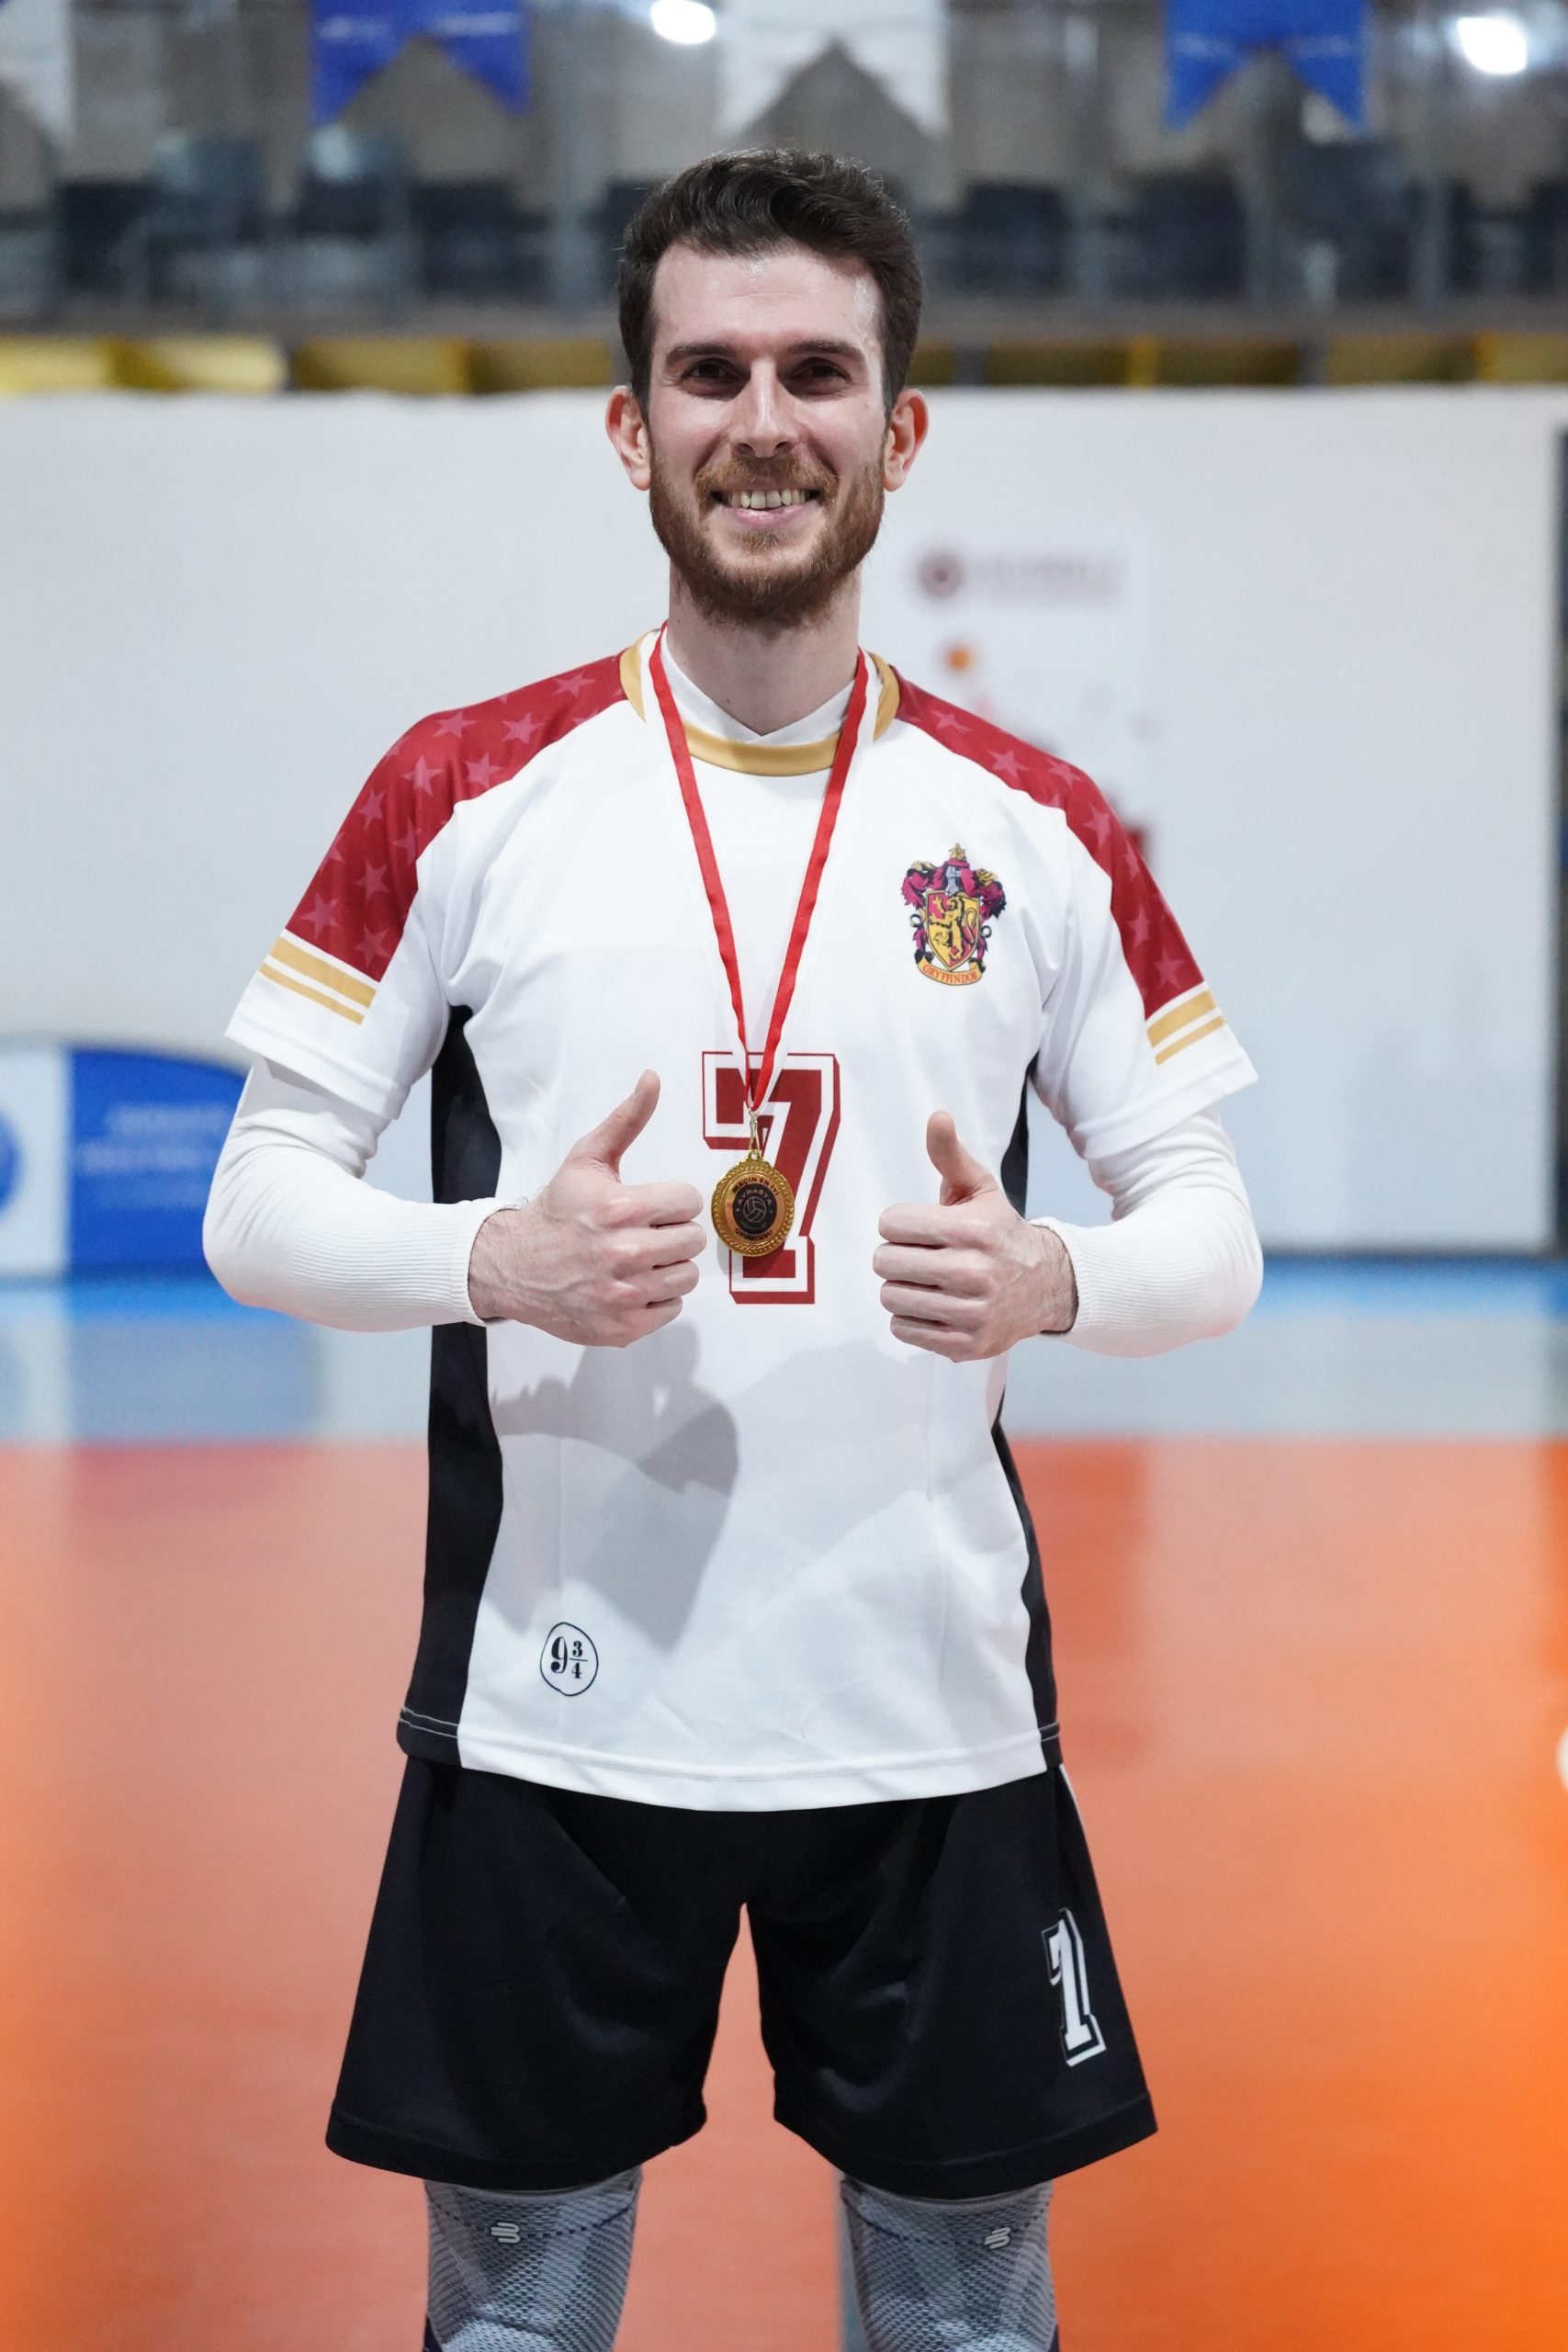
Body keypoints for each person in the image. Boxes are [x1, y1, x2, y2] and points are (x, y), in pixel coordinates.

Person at [205, 149, 1262, 2352]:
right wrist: (494, 1256)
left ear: (898, 423)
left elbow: (1209, 1229)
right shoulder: (463, 789)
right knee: (512, 2322)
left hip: (926, 1715)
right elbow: (258, 1199)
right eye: (707, 373)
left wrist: (1055, 1280)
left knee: (965, 2320)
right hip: (557, 1718)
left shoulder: (1036, 826)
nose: (759, 421)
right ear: (630, 425)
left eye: (812, 371)